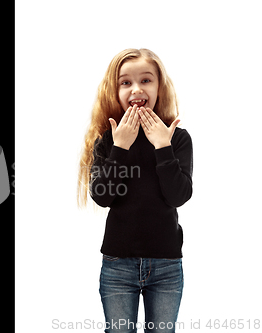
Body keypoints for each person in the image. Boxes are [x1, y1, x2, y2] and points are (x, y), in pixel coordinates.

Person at [77, 49, 193, 332]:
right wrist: (121, 147)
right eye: (126, 82)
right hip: (118, 265)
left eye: (146, 80)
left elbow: (178, 195)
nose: (136, 89)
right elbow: (103, 196)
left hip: (166, 265)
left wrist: (162, 147)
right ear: (114, 91)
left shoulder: (176, 138)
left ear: (159, 87)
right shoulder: (108, 141)